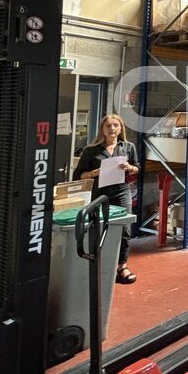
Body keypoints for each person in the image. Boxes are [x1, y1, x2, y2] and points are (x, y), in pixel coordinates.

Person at [73, 114, 139, 284]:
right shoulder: (91, 150)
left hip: (121, 191)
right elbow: (77, 175)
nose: (112, 129)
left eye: (116, 125)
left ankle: (122, 266)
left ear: (121, 128)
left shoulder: (128, 147)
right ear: (102, 129)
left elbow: (137, 168)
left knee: (124, 229)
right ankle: (98, 263)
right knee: (99, 228)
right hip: (99, 194)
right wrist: (93, 173)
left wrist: (130, 168)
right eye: (108, 126)